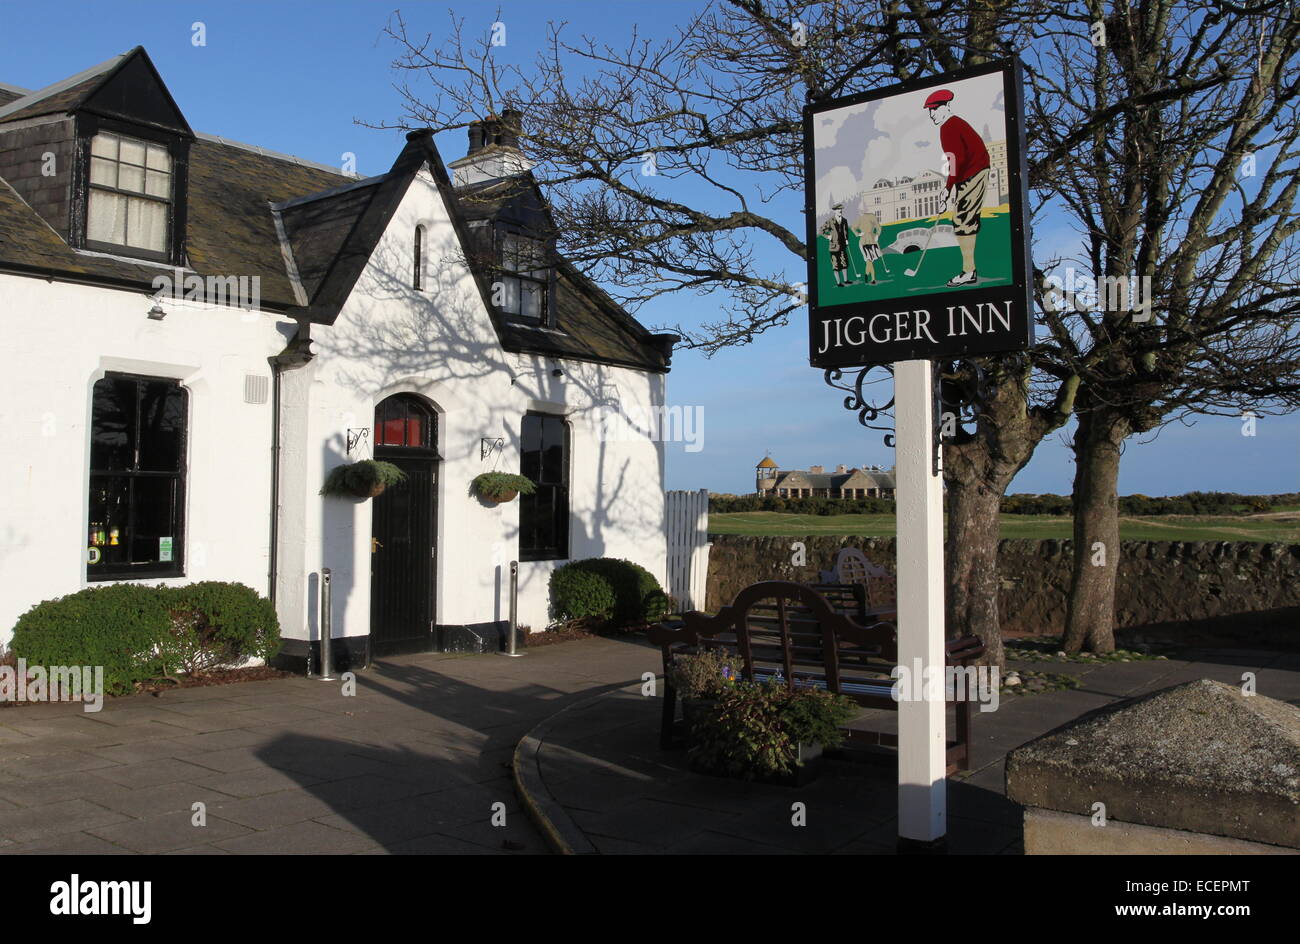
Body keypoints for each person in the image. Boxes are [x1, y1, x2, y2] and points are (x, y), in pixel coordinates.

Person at [924, 88, 989, 286]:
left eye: (934, 109)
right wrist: (949, 189)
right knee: (961, 218)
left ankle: (969, 271)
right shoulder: (952, 125)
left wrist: (948, 188)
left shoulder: (950, 127)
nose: (931, 114)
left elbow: (956, 160)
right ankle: (969, 270)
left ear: (945, 107)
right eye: (929, 110)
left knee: (963, 219)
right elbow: (954, 161)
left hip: (973, 172)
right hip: (968, 173)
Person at [819, 203, 855, 286]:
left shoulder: (844, 220)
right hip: (834, 247)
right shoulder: (830, 221)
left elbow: (846, 231)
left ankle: (846, 280)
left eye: (841, 209)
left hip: (842, 245)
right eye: (838, 209)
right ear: (835, 211)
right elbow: (821, 230)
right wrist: (827, 236)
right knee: (835, 265)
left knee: (844, 263)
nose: (840, 211)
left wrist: (846, 240)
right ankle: (838, 282)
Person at [853, 209, 883, 285]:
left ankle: (867, 275)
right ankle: (872, 278)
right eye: (860, 210)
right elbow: (853, 228)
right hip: (863, 242)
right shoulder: (859, 218)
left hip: (872, 240)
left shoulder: (872, 216)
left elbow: (878, 226)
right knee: (869, 260)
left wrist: (877, 235)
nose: (861, 211)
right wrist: (858, 234)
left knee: (870, 260)